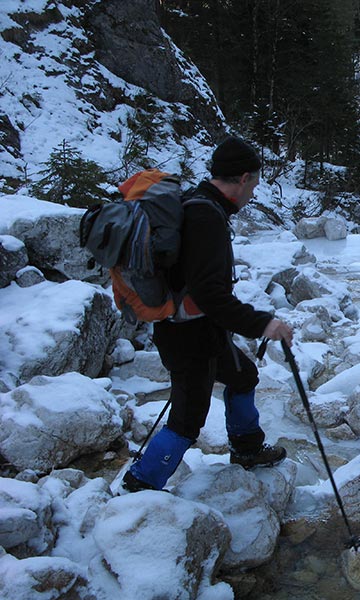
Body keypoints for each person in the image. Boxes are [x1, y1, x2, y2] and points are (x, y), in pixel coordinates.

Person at [123, 136, 294, 492]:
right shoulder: (205, 216)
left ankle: (247, 449)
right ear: (244, 178)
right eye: (255, 185)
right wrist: (264, 323)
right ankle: (139, 484)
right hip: (187, 336)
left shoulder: (198, 205)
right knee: (187, 418)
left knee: (243, 376)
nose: (252, 194)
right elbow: (210, 294)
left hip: (202, 330)